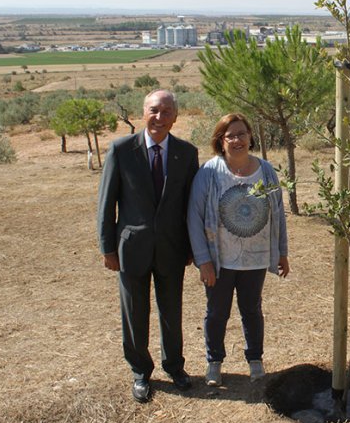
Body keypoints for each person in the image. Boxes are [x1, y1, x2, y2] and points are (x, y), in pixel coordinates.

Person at [97, 89, 199, 403]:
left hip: (172, 248)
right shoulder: (121, 150)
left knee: (172, 313)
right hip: (131, 249)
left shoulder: (186, 153)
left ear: (175, 117)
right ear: (143, 112)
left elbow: (191, 206)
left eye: (167, 111)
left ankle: (174, 367)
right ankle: (141, 372)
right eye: (154, 110)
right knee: (134, 314)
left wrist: (195, 248)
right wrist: (108, 248)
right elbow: (107, 203)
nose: (159, 117)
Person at [187, 113, 289, 387]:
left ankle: (255, 360)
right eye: (230, 135)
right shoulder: (209, 172)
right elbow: (194, 217)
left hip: (254, 260)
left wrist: (281, 252)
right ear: (220, 141)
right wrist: (203, 260)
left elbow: (278, 214)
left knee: (252, 310)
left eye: (242, 133)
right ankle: (214, 362)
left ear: (250, 137)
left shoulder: (265, 170)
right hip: (220, 261)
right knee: (217, 312)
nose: (237, 139)